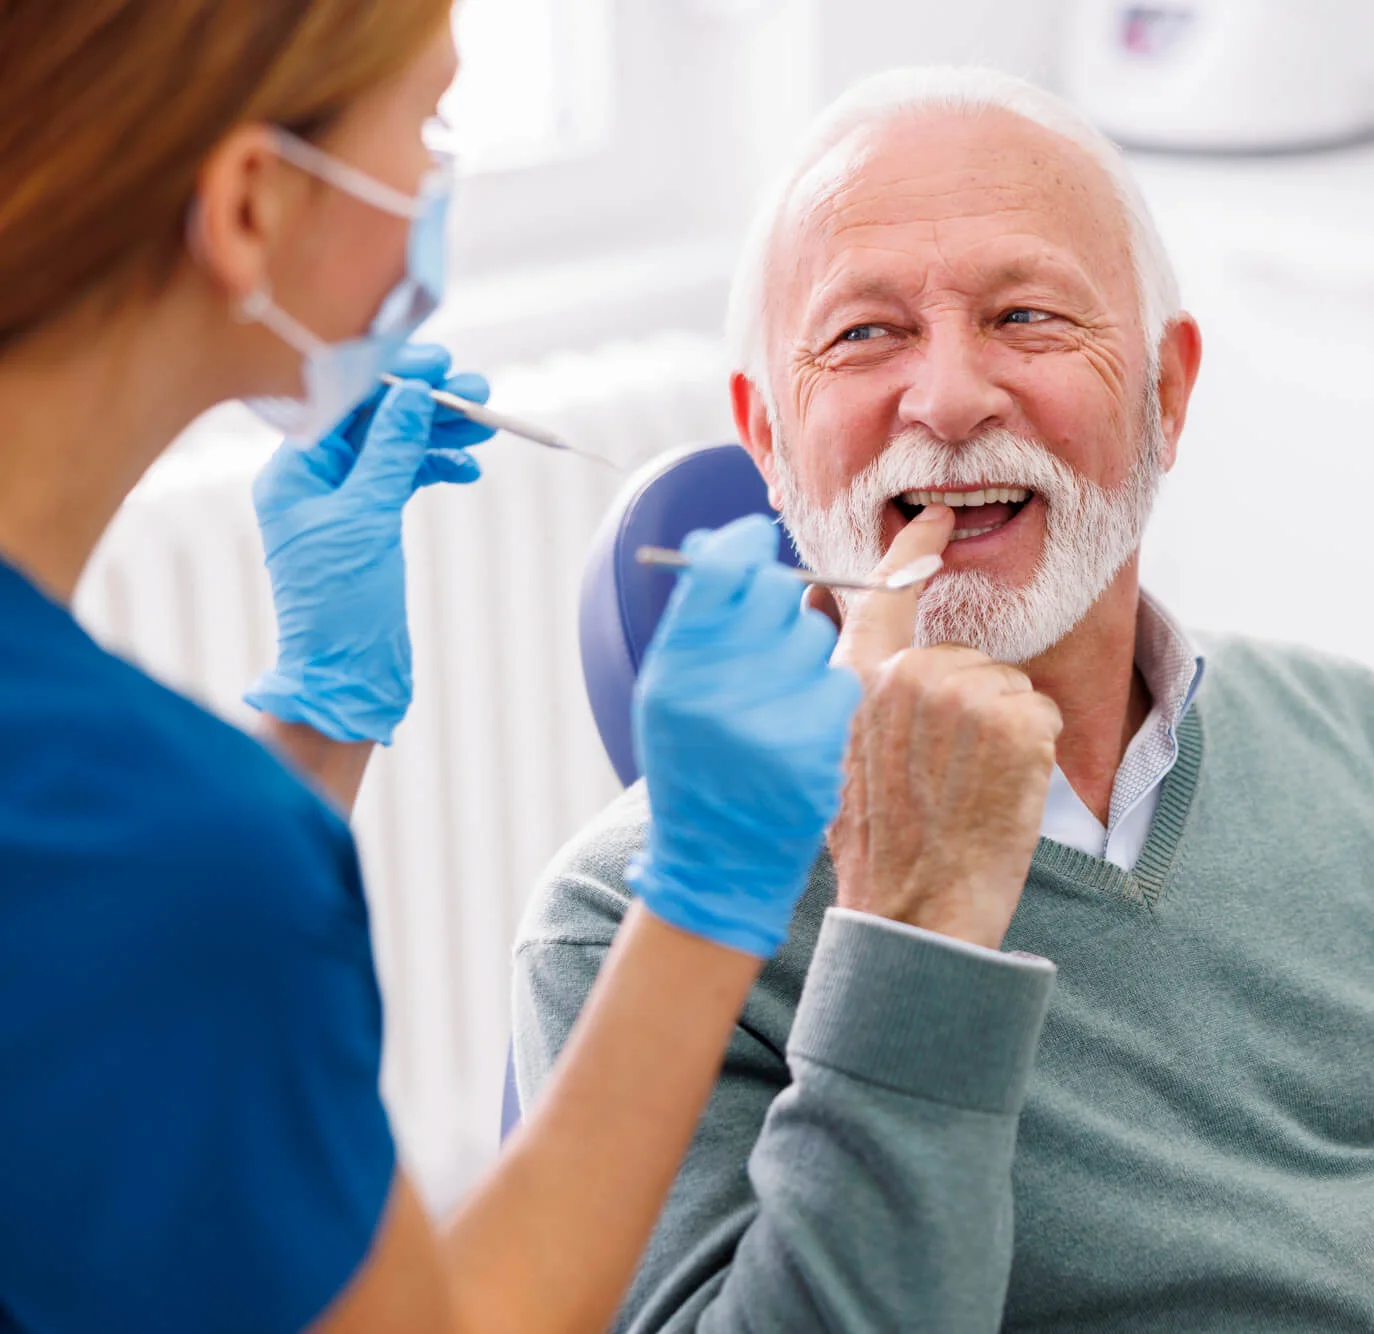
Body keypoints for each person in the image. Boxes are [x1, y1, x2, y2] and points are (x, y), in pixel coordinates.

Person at [514, 67, 1374, 1332]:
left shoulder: (1364, 743)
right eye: (865, 333)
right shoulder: (631, 926)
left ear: (1166, 395)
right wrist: (913, 935)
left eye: (1025, 317)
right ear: (768, 440)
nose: (951, 398)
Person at [0, 4, 927, 1330]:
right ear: (252, 205)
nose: (440, 180)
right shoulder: (159, 849)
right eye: (428, 124)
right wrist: (710, 887)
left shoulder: (111, 835)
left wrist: (319, 725)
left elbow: (96, 1026)